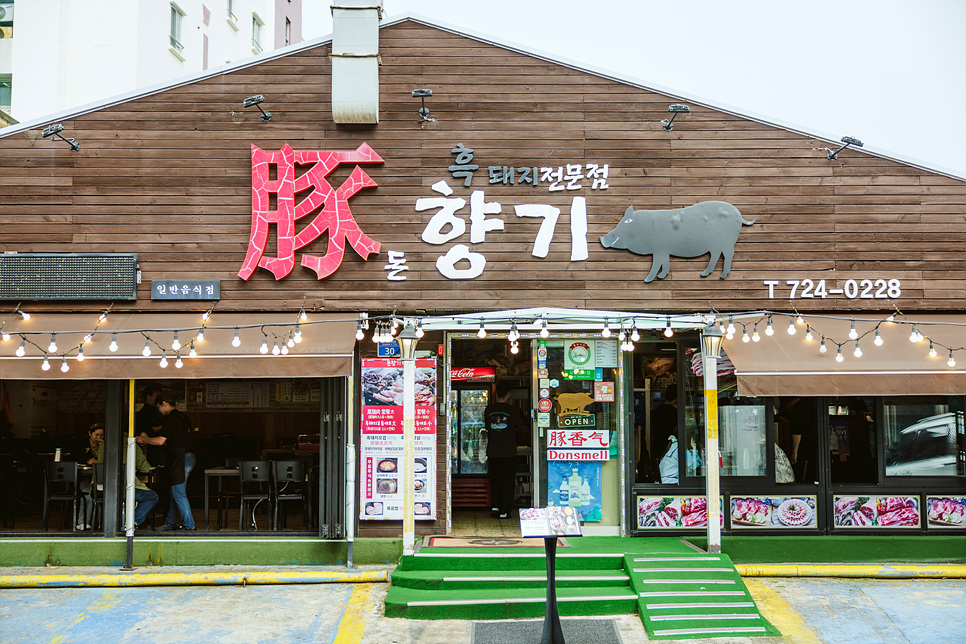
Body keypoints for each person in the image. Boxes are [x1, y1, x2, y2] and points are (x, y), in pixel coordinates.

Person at [137, 393, 196, 531]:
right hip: (186, 457)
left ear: (164, 403)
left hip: (182, 458)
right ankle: (170, 522)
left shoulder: (172, 418)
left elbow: (160, 440)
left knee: (178, 492)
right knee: (174, 491)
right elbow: (162, 434)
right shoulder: (181, 417)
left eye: (158, 406)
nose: (158, 410)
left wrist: (144, 439)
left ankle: (189, 525)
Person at [95, 435, 159, 529]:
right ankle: (130, 521)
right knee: (152, 496)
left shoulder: (104, 444)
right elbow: (145, 468)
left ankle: (106, 523)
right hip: (124, 488)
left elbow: (99, 463)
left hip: (102, 488)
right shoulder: (132, 444)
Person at [484, 381, 523, 519]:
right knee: (507, 481)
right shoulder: (513, 411)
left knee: (495, 480)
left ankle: (495, 506)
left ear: (495, 393)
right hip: (508, 451)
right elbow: (520, 428)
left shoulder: (489, 410)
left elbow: (488, 427)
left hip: (493, 450)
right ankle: (504, 511)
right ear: (508, 394)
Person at [77, 423, 104, 530]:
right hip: (85, 478)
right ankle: (82, 522)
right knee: (88, 494)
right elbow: (77, 458)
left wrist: (102, 447)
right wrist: (89, 461)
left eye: (101, 436)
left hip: (100, 478)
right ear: (90, 434)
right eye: (96, 435)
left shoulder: (104, 446)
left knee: (103, 494)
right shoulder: (81, 445)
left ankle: (103, 523)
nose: (99, 438)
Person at [136, 384, 164, 465]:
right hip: (149, 448)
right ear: (149, 396)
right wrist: (165, 426)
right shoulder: (145, 412)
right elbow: (146, 431)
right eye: (157, 395)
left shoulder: (155, 411)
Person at [650, 384, 678, 463]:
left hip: (658, 447)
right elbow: (676, 430)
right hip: (669, 448)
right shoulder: (673, 411)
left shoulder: (657, 410)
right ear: (676, 397)